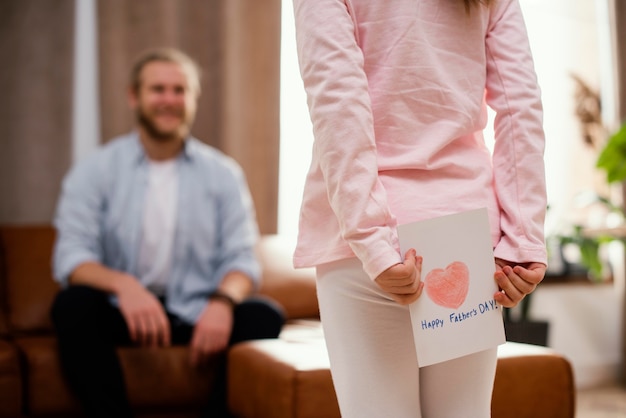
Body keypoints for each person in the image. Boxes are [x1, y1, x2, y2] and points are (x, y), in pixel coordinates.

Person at [291, 0, 547, 417]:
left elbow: (338, 104)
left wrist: (373, 242)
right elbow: (521, 108)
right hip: (464, 235)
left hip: (368, 249)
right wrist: (524, 239)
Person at [50, 47, 284, 418]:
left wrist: (222, 303)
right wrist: (125, 286)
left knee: (263, 315)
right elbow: (72, 256)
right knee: (72, 306)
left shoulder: (223, 174)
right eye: (158, 89)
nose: (169, 100)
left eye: (180, 90)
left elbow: (242, 258)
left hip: (196, 313)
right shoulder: (95, 171)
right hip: (122, 313)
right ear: (134, 96)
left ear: (193, 99)